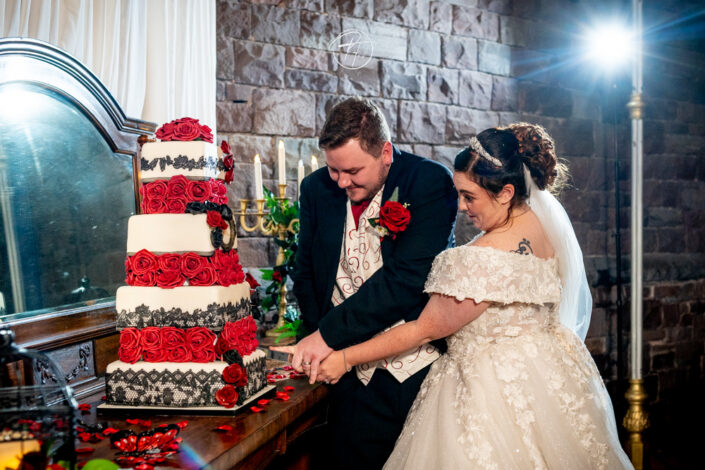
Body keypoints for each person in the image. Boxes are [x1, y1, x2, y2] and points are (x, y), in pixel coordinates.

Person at [280, 123, 633, 469]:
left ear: (506, 192)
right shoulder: (548, 235)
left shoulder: (480, 258)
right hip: (550, 385)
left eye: (469, 196)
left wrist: (344, 359)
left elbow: (424, 330)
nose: (462, 207)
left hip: (486, 396)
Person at [276, 97, 458, 469]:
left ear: (385, 152)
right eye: (334, 170)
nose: (342, 182)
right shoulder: (315, 189)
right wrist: (321, 338)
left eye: (354, 171)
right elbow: (306, 269)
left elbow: (406, 279)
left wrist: (326, 335)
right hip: (342, 373)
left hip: (412, 368)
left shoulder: (427, 182)